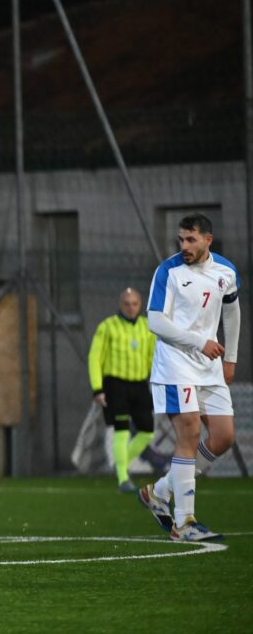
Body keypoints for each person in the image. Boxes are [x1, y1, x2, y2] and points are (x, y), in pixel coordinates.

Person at [138, 213, 241, 542]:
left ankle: (160, 491)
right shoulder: (168, 271)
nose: (184, 245)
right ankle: (184, 523)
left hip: (209, 367)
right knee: (191, 432)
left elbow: (232, 312)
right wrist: (200, 342)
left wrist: (231, 358)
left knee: (223, 436)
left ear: (208, 240)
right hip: (175, 365)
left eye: (191, 239)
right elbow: (156, 321)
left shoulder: (226, 271)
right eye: (181, 239)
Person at [87, 287, 157, 493]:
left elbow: (154, 357)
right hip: (115, 385)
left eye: (134, 304)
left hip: (140, 384)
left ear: (140, 305)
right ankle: (123, 479)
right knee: (122, 430)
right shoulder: (107, 327)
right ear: (120, 304)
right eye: (127, 304)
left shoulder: (147, 328)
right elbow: (95, 358)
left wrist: (158, 384)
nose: (130, 308)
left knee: (147, 432)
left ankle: (121, 464)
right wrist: (97, 388)